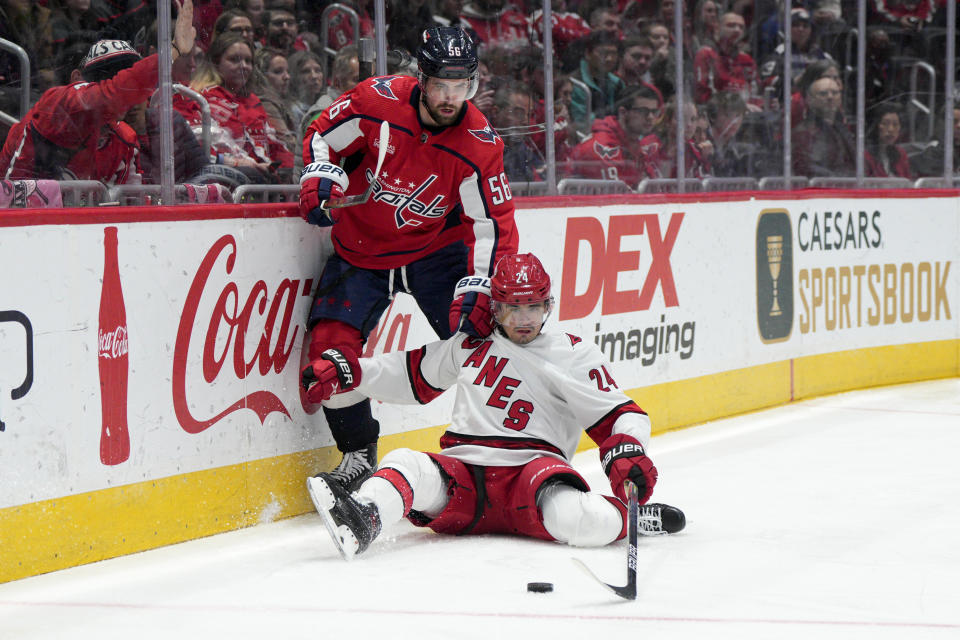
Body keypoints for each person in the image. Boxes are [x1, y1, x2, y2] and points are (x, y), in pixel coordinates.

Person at [301, 252, 686, 560]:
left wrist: (628, 449)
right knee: (406, 463)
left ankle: (630, 516)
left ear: (549, 305)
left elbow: (622, 415)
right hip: (463, 478)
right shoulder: (468, 344)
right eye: (512, 308)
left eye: (534, 307)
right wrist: (350, 372)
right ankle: (364, 519)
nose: (523, 319)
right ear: (494, 307)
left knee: (586, 521)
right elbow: (408, 374)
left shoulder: (572, 354)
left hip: (532, 481)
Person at [298, 26, 520, 491]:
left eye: (462, 87)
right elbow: (323, 133)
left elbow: (494, 226)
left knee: (483, 347)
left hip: (436, 254)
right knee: (328, 351)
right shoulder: (376, 100)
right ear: (421, 78)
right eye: (441, 85)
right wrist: (321, 175)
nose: (450, 98)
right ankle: (358, 453)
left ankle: (507, 448)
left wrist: (481, 288)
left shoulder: (480, 143)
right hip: (360, 252)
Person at [0, 0, 196, 182]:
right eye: (109, 76)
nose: (122, 88)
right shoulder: (58, 102)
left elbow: (130, 205)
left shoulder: (124, 138)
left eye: (126, 74)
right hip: (15, 215)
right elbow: (112, 95)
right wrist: (171, 53)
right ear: (78, 79)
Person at [174, 32, 294, 182]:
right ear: (216, 63)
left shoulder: (253, 101)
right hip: (224, 182)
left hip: (260, 183)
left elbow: (272, 144)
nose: (244, 66)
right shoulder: (200, 98)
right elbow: (202, 150)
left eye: (248, 61)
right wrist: (246, 165)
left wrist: (289, 168)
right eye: (234, 60)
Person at [570, 83, 662, 185]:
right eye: (643, 111)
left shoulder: (636, 146)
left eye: (655, 112)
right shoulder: (601, 147)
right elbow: (619, 198)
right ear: (623, 112)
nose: (650, 117)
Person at [791, 75, 855, 177]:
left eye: (835, 93)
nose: (830, 97)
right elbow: (808, 169)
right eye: (823, 93)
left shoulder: (842, 129)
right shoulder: (804, 133)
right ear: (809, 99)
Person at [692, 11, 758, 106]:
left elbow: (755, 94)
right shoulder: (706, 54)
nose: (737, 30)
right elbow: (702, 96)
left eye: (741, 27)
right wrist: (738, 107)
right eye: (731, 25)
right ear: (717, 28)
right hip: (716, 115)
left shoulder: (747, 59)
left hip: (746, 116)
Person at [570, 31, 626, 133]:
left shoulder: (618, 83)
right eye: (602, 53)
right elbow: (582, 122)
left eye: (613, 54)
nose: (609, 59)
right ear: (587, 54)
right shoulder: (576, 83)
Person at [864, 103, 913, 179]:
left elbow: (908, 183)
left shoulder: (901, 154)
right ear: (876, 125)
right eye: (885, 123)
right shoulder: (865, 156)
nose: (891, 129)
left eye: (895, 124)